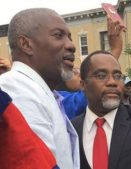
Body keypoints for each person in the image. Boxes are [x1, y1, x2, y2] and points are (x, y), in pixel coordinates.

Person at [0, 8, 79, 169]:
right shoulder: (16, 89)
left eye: (70, 37)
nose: (71, 45)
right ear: (26, 44)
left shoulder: (43, 91)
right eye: (58, 35)